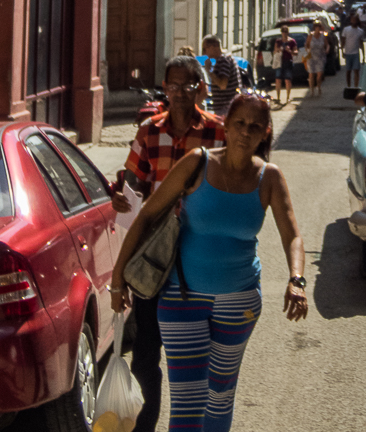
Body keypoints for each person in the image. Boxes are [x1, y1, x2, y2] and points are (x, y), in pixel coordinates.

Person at [111, 92, 308, 431]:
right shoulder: (196, 163)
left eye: (255, 127)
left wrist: (297, 279)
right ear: (226, 128)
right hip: (181, 298)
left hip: (240, 301)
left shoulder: (269, 178)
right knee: (187, 402)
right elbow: (145, 218)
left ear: (265, 134)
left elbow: (293, 235)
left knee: (220, 395)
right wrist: (118, 280)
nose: (246, 133)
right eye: (240, 124)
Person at [111, 56, 227, 432]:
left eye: (186, 87)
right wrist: (120, 195)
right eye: (171, 87)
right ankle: (146, 424)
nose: (177, 95)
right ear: (164, 87)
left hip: (199, 250)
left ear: (199, 88)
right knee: (146, 352)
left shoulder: (217, 132)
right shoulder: (149, 131)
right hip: (155, 250)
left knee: (196, 351)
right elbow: (132, 185)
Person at [201, 35, 241, 118]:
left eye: (205, 49)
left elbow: (222, 85)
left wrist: (209, 71)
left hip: (225, 108)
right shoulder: (225, 59)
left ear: (213, 47)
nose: (204, 53)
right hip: (227, 107)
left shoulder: (223, 61)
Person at [272, 28, 299, 105]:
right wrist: (278, 50)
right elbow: (274, 51)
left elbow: (296, 52)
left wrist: (289, 51)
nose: (284, 33)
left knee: (288, 80)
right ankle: (278, 97)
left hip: (288, 62)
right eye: (283, 32)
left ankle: (288, 97)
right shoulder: (278, 41)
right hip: (279, 62)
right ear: (281, 33)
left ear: (288, 32)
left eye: (286, 32)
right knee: (278, 80)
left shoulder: (292, 41)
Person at [342, 13, 366, 88]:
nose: (354, 21)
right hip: (348, 53)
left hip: (356, 53)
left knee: (356, 70)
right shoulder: (346, 29)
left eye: (355, 20)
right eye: (352, 20)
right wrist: (342, 51)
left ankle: (356, 86)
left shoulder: (360, 31)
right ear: (351, 21)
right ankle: (349, 85)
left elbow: (361, 43)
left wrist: (363, 55)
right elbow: (343, 41)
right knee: (348, 71)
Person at [307, 22, 328, 97]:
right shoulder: (311, 36)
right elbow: (307, 45)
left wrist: (327, 49)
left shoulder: (323, 36)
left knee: (319, 75)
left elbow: (327, 45)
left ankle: (318, 87)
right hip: (311, 57)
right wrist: (307, 51)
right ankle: (312, 90)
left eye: (319, 27)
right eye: (316, 27)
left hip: (320, 57)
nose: (317, 29)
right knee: (311, 74)